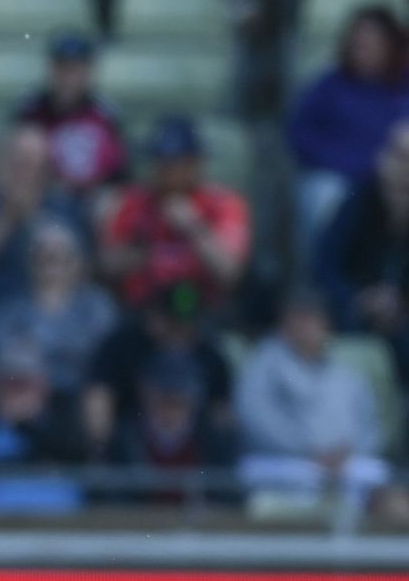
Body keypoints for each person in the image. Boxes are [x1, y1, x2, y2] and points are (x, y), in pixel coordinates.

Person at [237, 290, 408, 521]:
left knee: (378, 474)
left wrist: (347, 452)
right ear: (284, 322)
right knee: (255, 472)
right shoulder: (263, 363)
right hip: (289, 463)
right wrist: (310, 450)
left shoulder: (345, 374)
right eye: (298, 317)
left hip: (342, 464)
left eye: (312, 318)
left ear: (326, 324)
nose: (306, 325)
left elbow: (371, 426)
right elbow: (257, 419)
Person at [101, 116, 250, 309]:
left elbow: (230, 274)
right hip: (145, 309)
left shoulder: (224, 203)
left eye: (174, 163)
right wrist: (144, 242)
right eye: (160, 162)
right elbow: (107, 267)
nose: (164, 171)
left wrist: (194, 227)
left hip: (200, 309)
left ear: (196, 163)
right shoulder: (134, 201)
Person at [287, 7, 409, 234]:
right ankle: (327, 268)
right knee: (324, 195)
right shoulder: (328, 86)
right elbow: (299, 134)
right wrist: (343, 162)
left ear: (390, 46)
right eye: (359, 42)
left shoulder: (403, 89)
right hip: (339, 178)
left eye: (373, 42)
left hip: (390, 181)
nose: (363, 49)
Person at [0, 124, 88, 321]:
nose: (24, 172)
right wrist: (6, 217)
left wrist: (34, 218)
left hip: (53, 314)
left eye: (32, 164)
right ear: (4, 163)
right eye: (18, 163)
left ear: (46, 169)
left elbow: (82, 273)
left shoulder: (63, 207)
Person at [81, 281, 234, 460]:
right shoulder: (122, 346)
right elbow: (98, 399)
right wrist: (100, 451)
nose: (181, 330)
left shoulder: (209, 356)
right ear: (154, 317)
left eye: (188, 322)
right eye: (173, 322)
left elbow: (222, 415)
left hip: (191, 448)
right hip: (130, 446)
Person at [0, 219, 119, 400]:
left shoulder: (96, 305)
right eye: (44, 256)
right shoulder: (13, 309)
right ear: (30, 262)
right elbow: (7, 361)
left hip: (82, 397)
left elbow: (105, 359)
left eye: (59, 256)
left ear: (77, 262)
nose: (51, 264)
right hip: (31, 400)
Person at [0, 341, 86, 514]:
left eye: (23, 384)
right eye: (7, 384)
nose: (14, 393)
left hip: (54, 516)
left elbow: (77, 463)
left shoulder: (64, 428)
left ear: (42, 386)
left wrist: (29, 426)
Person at [319, 123, 409, 379]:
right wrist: (359, 299)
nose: (405, 171)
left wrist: (401, 301)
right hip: (354, 311)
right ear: (383, 159)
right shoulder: (358, 201)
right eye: (400, 158)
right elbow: (326, 267)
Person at [105, 350, 237, 503]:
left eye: (178, 403)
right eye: (163, 401)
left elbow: (228, 498)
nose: (169, 412)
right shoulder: (124, 439)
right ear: (145, 395)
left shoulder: (213, 440)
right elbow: (113, 500)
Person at [14, 34, 128, 211]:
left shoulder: (105, 114)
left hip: (92, 200)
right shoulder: (31, 112)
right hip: (43, 197)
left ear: (87, 72)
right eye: (61, 68)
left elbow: (121, 173)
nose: (67, 78)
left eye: (74, 69)